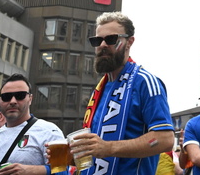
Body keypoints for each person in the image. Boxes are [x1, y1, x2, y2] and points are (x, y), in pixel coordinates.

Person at [72, 12, 174, 175]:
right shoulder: (100, 89)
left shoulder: (146, 82)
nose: (103, 45)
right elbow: (96, 148)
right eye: (97, 40)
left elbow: (164, 140)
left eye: (111, 39)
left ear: (129, 42)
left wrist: (109, 148)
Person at [0, 73, 64, 174]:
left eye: (20, 96)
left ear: (30, 99)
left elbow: (64, 169)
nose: (13, 101)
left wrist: (31, 171)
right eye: (6, 97)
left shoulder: (49, 131)